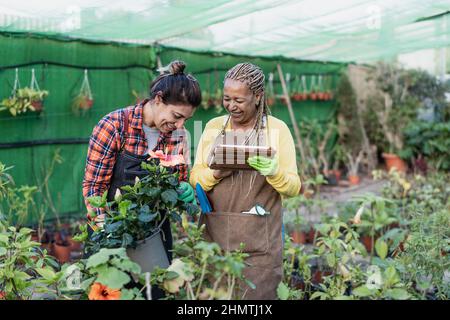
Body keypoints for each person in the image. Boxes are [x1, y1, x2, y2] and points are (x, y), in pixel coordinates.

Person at [190, 62, 301, 299]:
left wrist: (273, 172)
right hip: (215, 234)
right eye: (227, 98)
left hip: (259, 242)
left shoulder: (276, 130)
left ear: (258, 96)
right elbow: (195, 176)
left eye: (239, 100)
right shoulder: (213, 127)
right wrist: (216, 174)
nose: (231, 105)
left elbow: (293, 186)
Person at [82, 59, 200, 264]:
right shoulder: (114, 126)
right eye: (177, 116)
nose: (180, 124)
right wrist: (105, 230)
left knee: (155, 290)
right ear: (158, 99)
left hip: (154, 230)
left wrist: (182, 187)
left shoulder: (178, 135)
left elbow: (178, 180)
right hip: (111, 225)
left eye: (185, 120)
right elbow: (94, 187)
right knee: (108, 291)